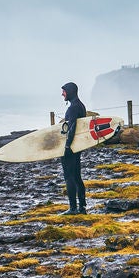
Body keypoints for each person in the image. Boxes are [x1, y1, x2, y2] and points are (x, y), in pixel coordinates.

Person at [60, 81, 87, 215]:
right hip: (78, 147)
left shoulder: (72, 108)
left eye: (64, 91)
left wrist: (67, 146)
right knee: (77, 176)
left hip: (71, 147)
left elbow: (72, 128)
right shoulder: (81, 106)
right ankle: (82, 207)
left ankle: (73, 208)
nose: (62, 94)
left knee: (69, 176)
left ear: (69, 91)